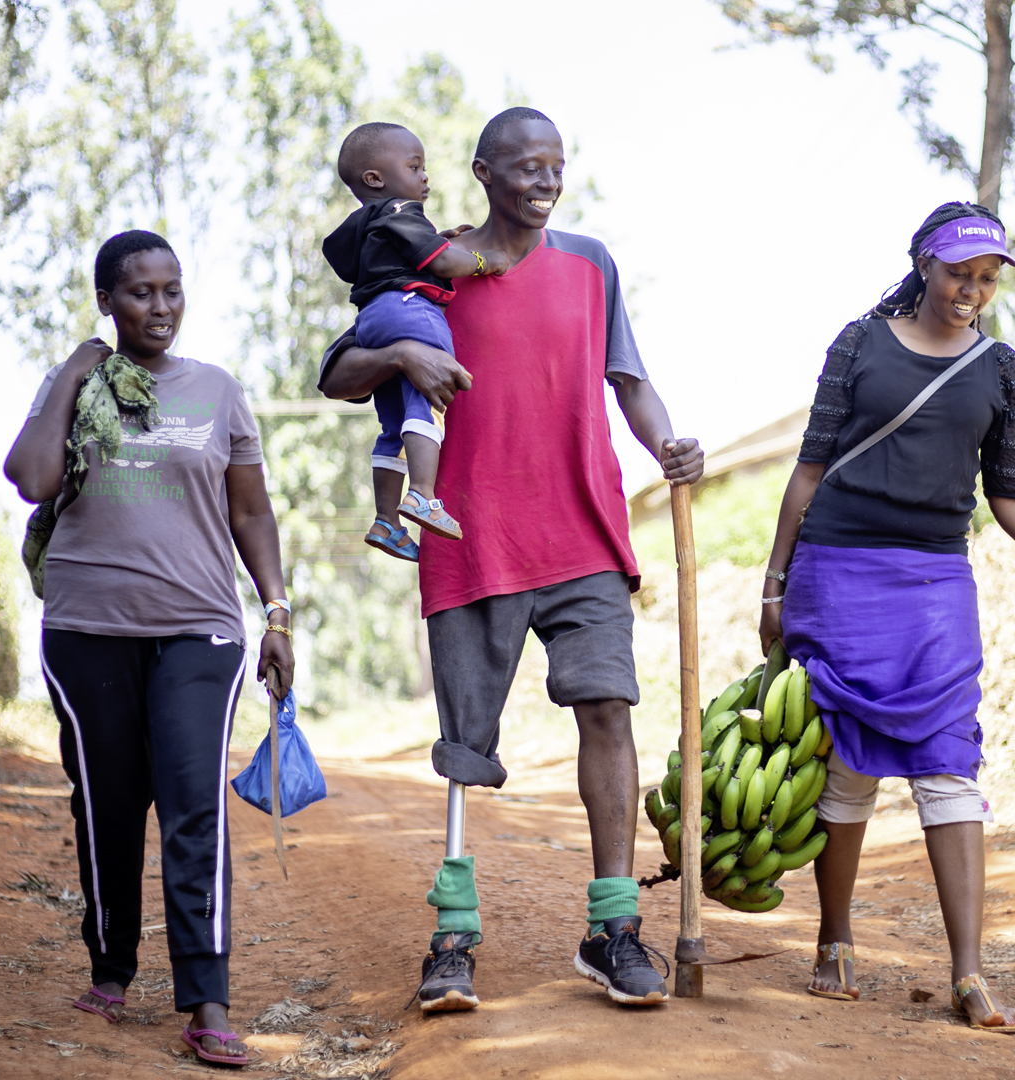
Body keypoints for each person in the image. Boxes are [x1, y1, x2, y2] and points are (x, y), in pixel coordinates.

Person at [319, 107, 705, 1012]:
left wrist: (666, 445)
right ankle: (453, 936)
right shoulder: (439, 264)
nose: (544, 180)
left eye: (556, 165)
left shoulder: (591, 264)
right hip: (472, 539)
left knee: (609, 706)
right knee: (464, 748)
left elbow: (631, 380)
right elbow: (337, 374)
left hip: (583, 532)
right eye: (525, 166)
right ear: (483, 173)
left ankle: (613, 927)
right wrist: (406, 349)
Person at [757, 202, 1015, 1033]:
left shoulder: (1001, 369)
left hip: (935, 584)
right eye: (960, 272)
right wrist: (775, 585)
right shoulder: (859, 343)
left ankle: (968, 972)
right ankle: (835, 940)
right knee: (846, 760)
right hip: (839, 570)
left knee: (949, 760)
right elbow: (809, 472)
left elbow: (1013, 499)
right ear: (924, 263)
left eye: (988, 277)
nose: (973, 289)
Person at [3, 230, 294, 1067]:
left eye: (171, 290)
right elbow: (32, 478)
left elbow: (251, 514)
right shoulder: (78, 387)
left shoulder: (218, 391)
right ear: (106, 301)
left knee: (193, 805)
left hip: (200, 626)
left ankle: (207, 998)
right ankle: (112, 967)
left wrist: (276, 612)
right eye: (139, 292)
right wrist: (71, 371)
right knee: (108, 802)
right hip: (89, 628)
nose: (159, 307)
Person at [321, 122, 512, 561]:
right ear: (375, 179)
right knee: (428, 400)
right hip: (412, 311)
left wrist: (433, 243)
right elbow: (443, 263)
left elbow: (406, 258)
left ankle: (387, 520)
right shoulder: (403, 209)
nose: (425, 175)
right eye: (414, 165)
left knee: (392, 427)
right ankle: (423, 495)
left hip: (372, 322)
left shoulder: (365, 223)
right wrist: (485, 260)